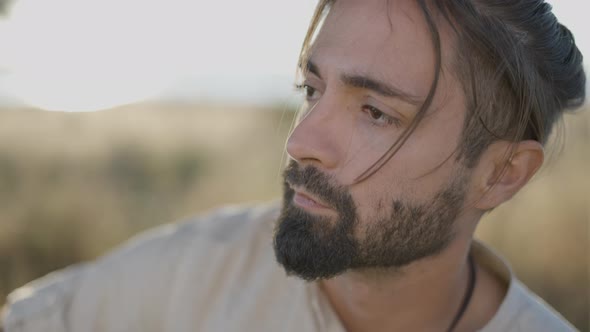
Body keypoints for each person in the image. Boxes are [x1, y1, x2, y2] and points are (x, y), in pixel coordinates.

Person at [2, 0, 586, 331]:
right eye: (311, 89)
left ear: (502, 173)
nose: (302, 141)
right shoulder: (198, 273)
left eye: (376, 112)